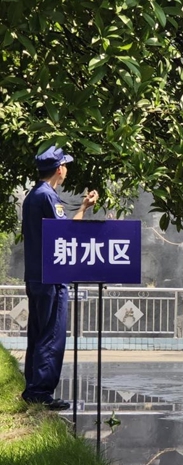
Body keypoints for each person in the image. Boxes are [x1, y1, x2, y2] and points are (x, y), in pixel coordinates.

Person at [22, 146, 98, 410]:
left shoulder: (32, 196)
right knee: (51, 335)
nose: (66, 169)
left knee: (38, 332)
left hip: (35, 275)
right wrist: (85, 208)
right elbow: (65, 233)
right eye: (65, 165)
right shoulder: (48, 197)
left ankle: (32, 387)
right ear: (59, 169)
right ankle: (41, 392)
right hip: (51, 277)